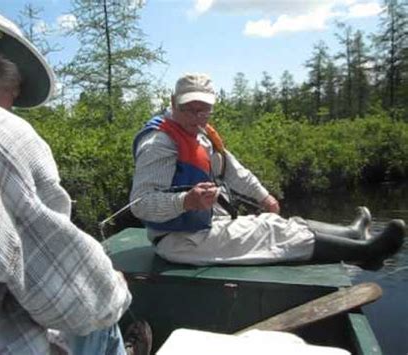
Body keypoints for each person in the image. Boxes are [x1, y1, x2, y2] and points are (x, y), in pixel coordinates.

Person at [0, 2, 151, 354]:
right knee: (99, 315)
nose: (11, 105)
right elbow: (82, 300)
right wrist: (113, 287)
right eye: (14, 92)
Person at [130, 72, 406, 266]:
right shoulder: (159, 143)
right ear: (173, 101)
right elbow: (140, 205)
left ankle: (351, 235)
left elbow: (234, 171)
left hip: (204, 226)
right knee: (273, 234)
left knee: (273, 221)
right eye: (191, 109)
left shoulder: (199, 134)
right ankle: (367, 252)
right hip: (178, 241)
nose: (199, 117)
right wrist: (185, 200)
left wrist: (264, 197)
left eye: (205, 110)